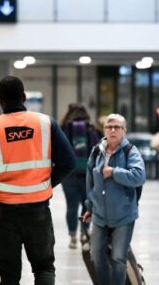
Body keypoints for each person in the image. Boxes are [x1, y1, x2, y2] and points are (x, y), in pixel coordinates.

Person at [0, 76, 76, 285]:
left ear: (0, 101)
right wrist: (46, 183)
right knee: (43, 267)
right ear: (24, 97)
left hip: (3, 210)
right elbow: (69, 162)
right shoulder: (46, 123)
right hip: (37, 207)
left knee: (9, 274)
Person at [83, 113, 146, 285]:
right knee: (95, 255)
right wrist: (89, 207)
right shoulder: (97, 151)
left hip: (123, 215)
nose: (112, 130)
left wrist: (115, 172)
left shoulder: (130, 151)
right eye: (109, 127)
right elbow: (90, 181)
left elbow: (139, 176)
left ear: (124, 131)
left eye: (116, 127)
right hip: (99, 215)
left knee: (119, 259)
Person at [60, 103, 102, 250]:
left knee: (71, 206)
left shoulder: (64, 128)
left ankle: (72, 237)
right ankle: (84, 234)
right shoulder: (92, 128)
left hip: (69, 174)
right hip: (88, 174)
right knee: (87, 205)